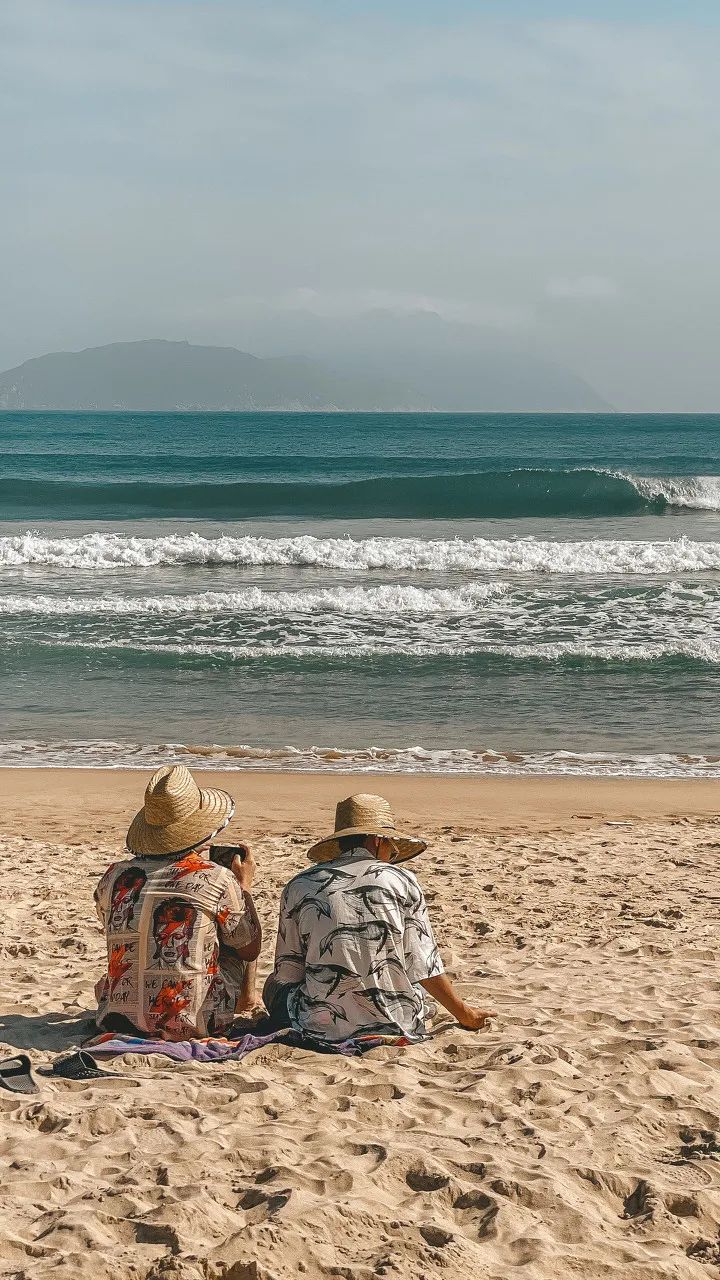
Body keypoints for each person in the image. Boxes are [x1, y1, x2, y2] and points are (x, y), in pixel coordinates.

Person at [264, 793, 494, 1042]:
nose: (393, 853)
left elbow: (288, 973)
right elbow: (422, 965)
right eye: (391, 846)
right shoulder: (402, 881)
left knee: (272, 986)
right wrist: (464, 1013)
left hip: (320, 1026)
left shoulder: (299, 885)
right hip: (395, 1021)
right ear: (377, 841)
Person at [94, 765, 261, 1040]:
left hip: (117, 1019)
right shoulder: (216, 877)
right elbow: (249, 948)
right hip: (196, 1023)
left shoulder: (114, 876)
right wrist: (243, 889)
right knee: (235, 933)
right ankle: (247, 1000)